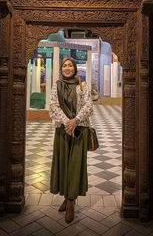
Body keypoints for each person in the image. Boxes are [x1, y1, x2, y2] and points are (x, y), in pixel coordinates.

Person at [49, 57, 93, 223]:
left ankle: (71, 203)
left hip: (79, 131)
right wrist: (68, 123)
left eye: (70, 65)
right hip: (63, 130)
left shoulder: (82, 85)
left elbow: (89, 106)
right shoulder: (56, 85)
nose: (67, 68)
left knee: (75, 167)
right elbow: (53, 106)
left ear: (75, 68)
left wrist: (76, 121)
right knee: (63, 165)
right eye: (64, 66)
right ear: (61, 69)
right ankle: (66, 198)